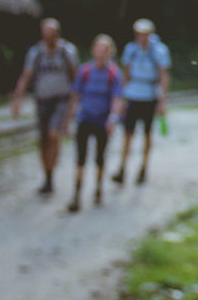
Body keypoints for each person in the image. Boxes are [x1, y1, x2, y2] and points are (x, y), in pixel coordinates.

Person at [11, 17, 79, 195]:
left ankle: (52, 172)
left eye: (50, 35)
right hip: (42, 100)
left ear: (57, 35)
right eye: (44, 35)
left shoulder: (67, 51)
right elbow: (26, 76)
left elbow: (76, 78)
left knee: (53, 135)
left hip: (61, 99)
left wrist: (76, 103)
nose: (47, 38)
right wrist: (17, 99)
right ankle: (47, 175)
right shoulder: (36, 53)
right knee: (43, 140)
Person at [64, 35, 124, 212]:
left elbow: (116, 98)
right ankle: (77, 194)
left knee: (100, 157)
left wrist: (113, 118)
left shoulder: (113, 73)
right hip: (85, 118)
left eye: (105, 49)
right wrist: (68, 118)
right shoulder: (85, 71)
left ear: (110, 52)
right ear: (93, 50)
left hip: (102, 121)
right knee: (80, 158)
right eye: (99, 48)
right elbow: (75, 95)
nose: (101, 53)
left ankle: (98, 188)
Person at [111, 18, 170, 186]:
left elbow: (163, 75)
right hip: (133, 95)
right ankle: (122, 168)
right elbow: (126, 74)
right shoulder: (131, 50)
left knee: (147, 134)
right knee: (128, 133)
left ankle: (143, 167)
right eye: (139, 34)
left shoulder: (159, 51)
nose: (141, 37)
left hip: (150, 96)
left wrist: (162, 100)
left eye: (144, 34)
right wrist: (121, 97)